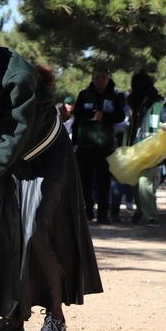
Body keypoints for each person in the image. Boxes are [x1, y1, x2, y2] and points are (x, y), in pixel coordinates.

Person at [0, 12, 103, 331]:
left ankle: (54, 319)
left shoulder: (19, 75)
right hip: (2, 160)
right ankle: (11, 320)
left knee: (36, 231)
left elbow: (17, 137)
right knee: (1, 230)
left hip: (43, 155)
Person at [72, 65, 126, 223]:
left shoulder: (115, 96)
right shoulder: (84, 94)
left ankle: (103, 214)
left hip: (105, 145)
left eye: (103, 77)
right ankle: (88, 211)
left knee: (104, 182)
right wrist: (74, 142)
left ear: (108, 79)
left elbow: (120, 116)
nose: (100, 80)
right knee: (84, 181)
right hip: (85, 144)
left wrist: (105, 116)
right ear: (92, 79)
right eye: (97, 77)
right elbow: (77, 116)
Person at [124, 72, 166, 226]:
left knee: (145, 181)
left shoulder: (159, 103)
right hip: (134, 148)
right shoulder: (131, 102)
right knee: (134, 183)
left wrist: (165, 126)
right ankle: (141, 211)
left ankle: (151, 216)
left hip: (151, 149)